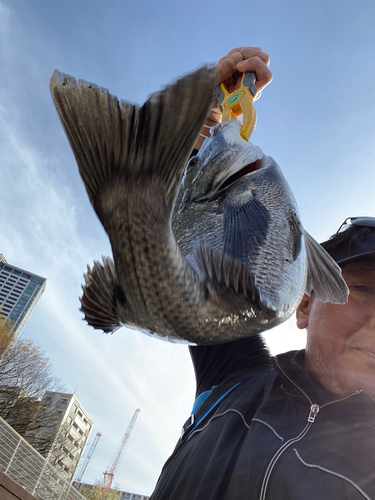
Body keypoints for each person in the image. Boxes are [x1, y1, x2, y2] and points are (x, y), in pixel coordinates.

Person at [149, 48, 375, 500]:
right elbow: (176, 240)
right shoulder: (231, 372)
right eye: (366, 290)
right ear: (306, 303)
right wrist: (199, 133)